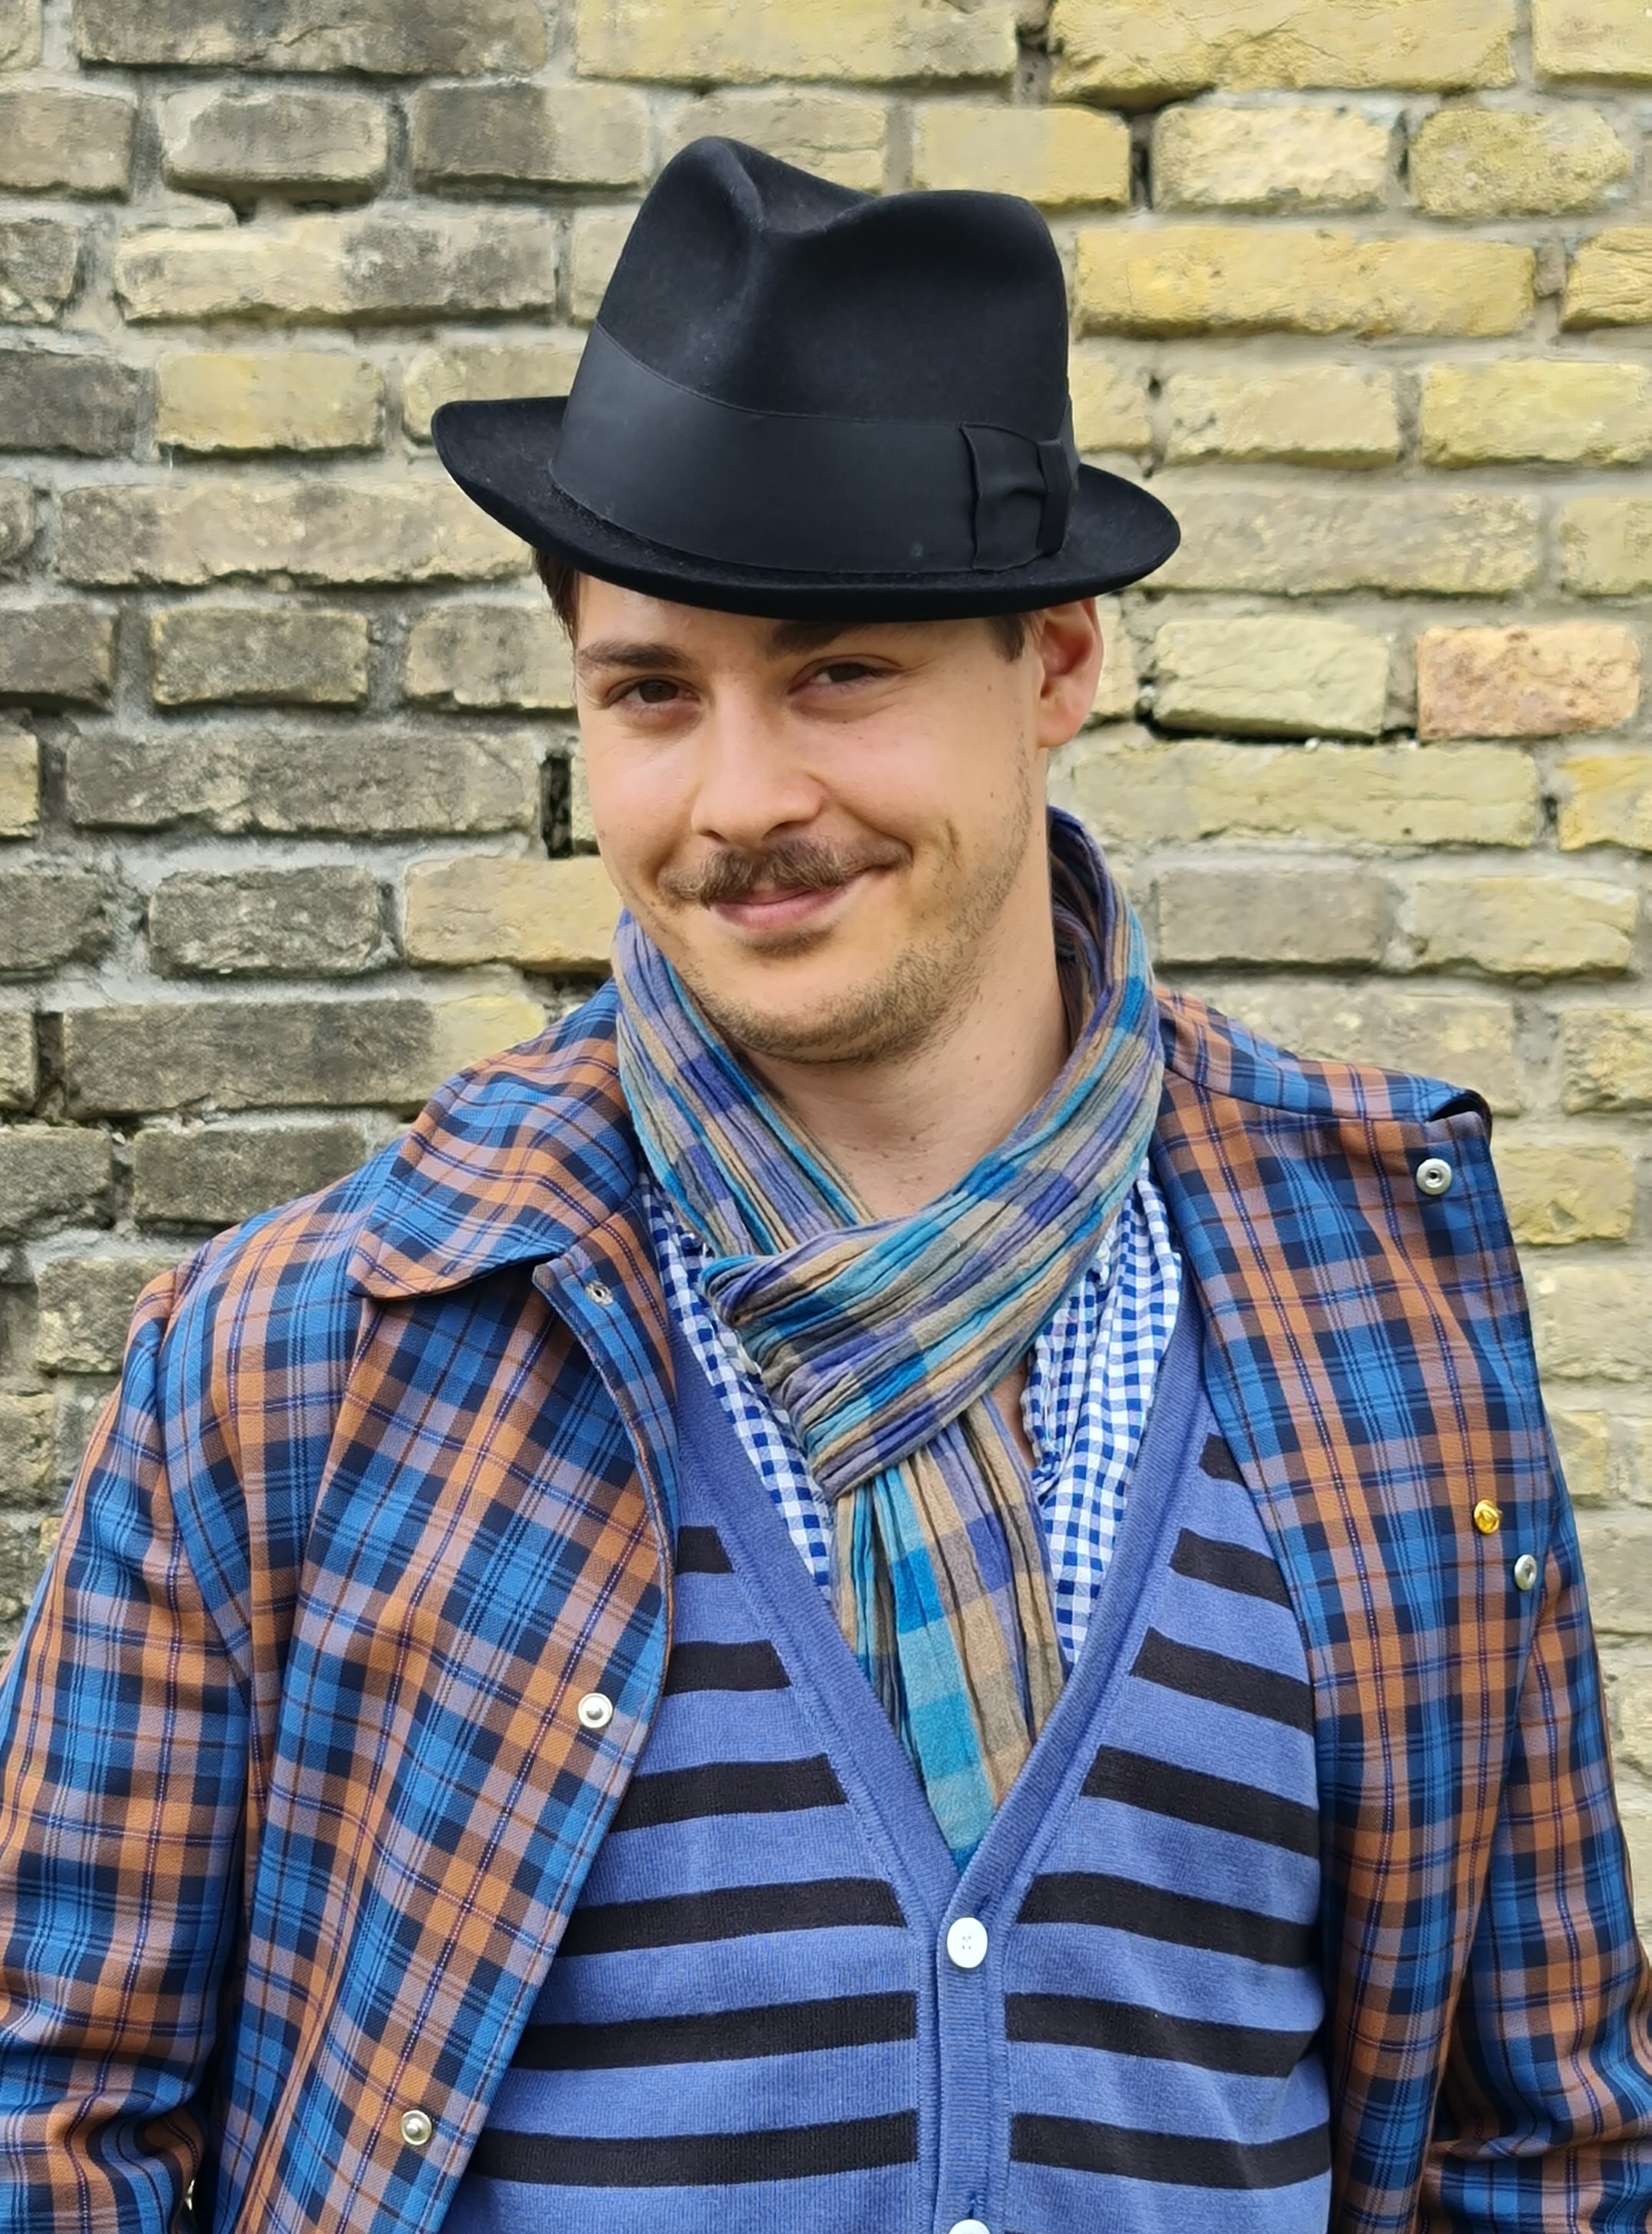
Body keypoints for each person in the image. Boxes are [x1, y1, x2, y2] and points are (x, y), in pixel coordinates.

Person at [0, 136, 1647, 2234]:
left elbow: (1546, 2141)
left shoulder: (1383, 1303)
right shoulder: (300, 1363)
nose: (740, 798)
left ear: (1055, 665)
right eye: (651, 693)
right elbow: (50, 2119)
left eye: (838, 673)